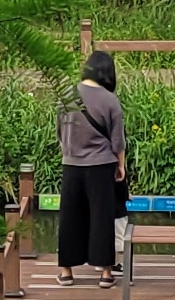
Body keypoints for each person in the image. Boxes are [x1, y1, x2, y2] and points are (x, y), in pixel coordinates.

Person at [54, 51, 127, 283]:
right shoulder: (110, 100)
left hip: (72, 165)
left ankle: (66, 271)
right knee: (101, 217)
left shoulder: (66, 95)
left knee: (70, 217)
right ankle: (105, 273)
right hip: (101, 165)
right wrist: (121, 165)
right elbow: (118, 140)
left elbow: (59, 132)